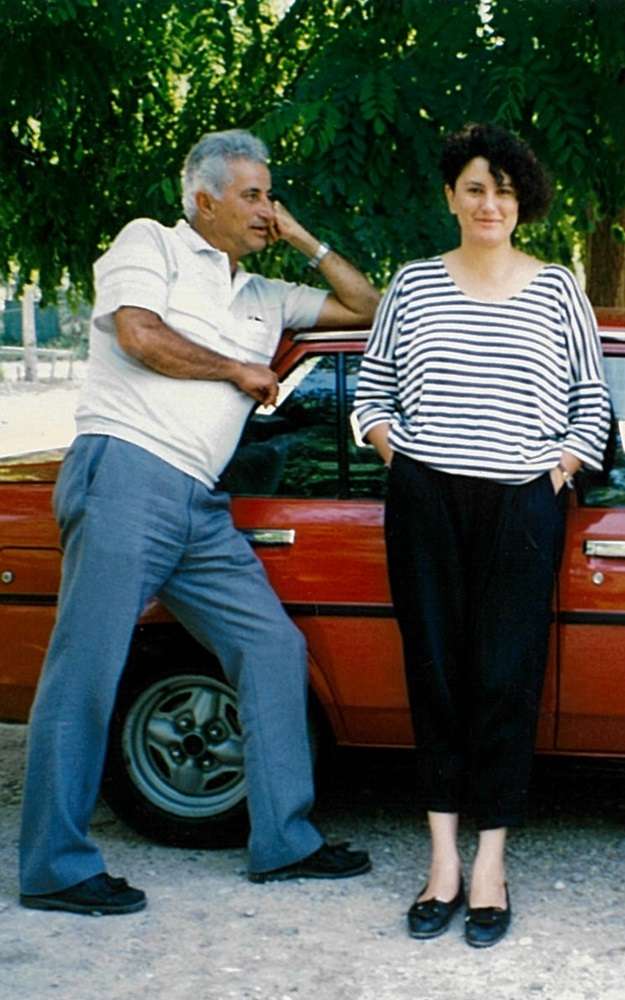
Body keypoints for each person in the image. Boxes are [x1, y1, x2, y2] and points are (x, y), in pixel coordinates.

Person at [19, 128, 380, 916]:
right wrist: (236, 368)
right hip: (126, 474)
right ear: (202, 198)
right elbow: (140, 335)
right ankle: (54, 866)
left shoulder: (264, 295)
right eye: (251, 195)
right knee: (88, 667)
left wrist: (302, 238)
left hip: (198, 506)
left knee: (271, 646)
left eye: (270, 194)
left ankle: (283, 841)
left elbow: (366, 304)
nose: (265, 208)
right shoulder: (148, 243)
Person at [354, 122, 610, 948]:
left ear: (520, 200)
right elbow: (372, 389)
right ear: (450, 197)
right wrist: (401, 457)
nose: (487, 202)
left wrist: (562, 466)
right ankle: (440, 862)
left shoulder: (556, 288)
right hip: (427, 499)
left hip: (521, 505)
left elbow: (589, 399)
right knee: (434, 672)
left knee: (504, 677)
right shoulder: (413, 286)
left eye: (501, 189)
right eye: (473, 187)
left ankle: (491, 861)